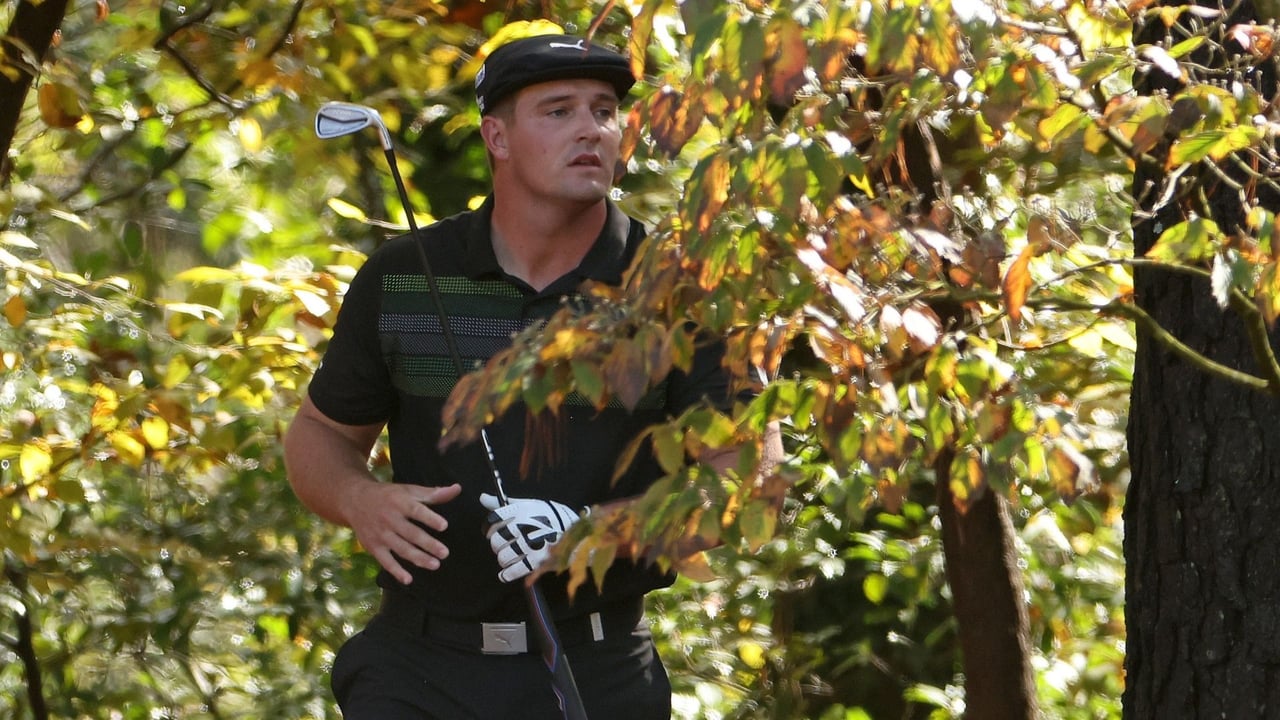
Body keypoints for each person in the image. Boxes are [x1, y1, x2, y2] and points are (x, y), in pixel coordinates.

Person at [284, 32, 782, 719]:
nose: (591, 129)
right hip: (418, 667)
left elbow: (749, 481)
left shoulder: (682, 290)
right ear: (498, 137)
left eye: (604, 110)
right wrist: (357, 499)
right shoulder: (402, 277)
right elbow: (320, 433)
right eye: (558, 111)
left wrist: (595, 530)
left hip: (597, 670)